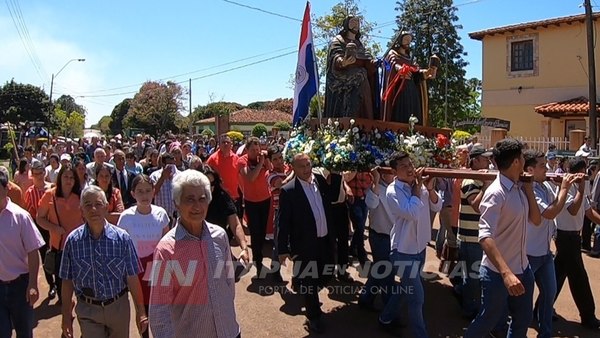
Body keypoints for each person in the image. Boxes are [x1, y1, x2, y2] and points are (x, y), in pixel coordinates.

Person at [149, 170, 240, 338]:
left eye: (202, 199)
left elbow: (228, 284)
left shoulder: (219, 236)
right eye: (189, 199)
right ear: (177, 203)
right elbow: (159, 310)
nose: (197, 206)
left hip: (229, 331)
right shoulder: (166, 250)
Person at [465, 139, 542, 337]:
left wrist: (529, 189)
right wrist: (506, 274)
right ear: (516, 162)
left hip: (523, 269)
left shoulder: (520, 187)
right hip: (497, 274)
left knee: (522, 320)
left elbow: (535, 220)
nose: (525, 160)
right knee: (488, 320)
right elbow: (485, 236)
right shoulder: (495, 193)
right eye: (523, 157)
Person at [59, 185, 147, 338]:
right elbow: (67, 282)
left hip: (118, 307)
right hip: (88, 309)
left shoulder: (122, 239)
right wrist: (66, 316)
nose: (93, 209)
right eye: (88, 205)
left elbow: (132, 277)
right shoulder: (73, 241)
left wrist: (140, 311)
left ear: (106, 207)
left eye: (98, 204)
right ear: (81, 210)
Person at [378, 152, 442, 337]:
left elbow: (437, 206)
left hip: (420, 248)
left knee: (406, 289)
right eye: (403, 166)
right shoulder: (393, 191)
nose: (409, 169)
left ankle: (385, 317)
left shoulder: (419, 186)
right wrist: (418, 189)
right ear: (394, 171)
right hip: (403, 251)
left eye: (410, 164)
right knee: (417, 298)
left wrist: (429, 190)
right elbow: (411, 213)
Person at [278, 153, 337, 334]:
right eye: (301, 166)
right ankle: (314, 316)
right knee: (310, 282)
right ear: (293, 168)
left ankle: (304, 286)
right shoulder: (289, 191)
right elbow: (283, 222)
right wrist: (282, 249)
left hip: (325, 239)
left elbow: (332, 198)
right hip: (304, 245)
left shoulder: (319, 180)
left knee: (326, 274)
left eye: (308, 165)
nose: (306, 169)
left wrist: (337, 172)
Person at [523, 150, 575, 338]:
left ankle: (545, 334)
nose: (547, 168)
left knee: (549, 295)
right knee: (522, 302)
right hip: (527, 254)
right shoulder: (530, 188)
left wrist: (562, 190)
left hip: (544, 253)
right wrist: (564, 189)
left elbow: (557, 205)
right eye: (542, 166)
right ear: (530, 169)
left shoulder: (544, 186)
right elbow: (550, 213)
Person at [117, 175, 169, 338]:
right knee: (142, 310)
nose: (144, 195)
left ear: (154, 192)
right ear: (133, 194)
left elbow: (167, 244)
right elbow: (121, 246)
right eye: (140, 191)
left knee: (161, 311)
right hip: (137, 270)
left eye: (148, 191)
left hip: (158, 268)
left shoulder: (161, 213)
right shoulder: (126, 217)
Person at [553, 157, 600, 330]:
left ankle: (541, 308)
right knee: (579, 278)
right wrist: (580, 188)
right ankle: (588, 316)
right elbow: (573, 209)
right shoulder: (565, 188)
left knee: (557, 275)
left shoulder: (579, 189)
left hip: (573, 237)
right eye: (584, 170)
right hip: (565, 237)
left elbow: (589, 212)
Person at [0, 169, 45, 338]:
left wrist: (33, 284)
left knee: (24, 332)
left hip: (20, 287)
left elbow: (33, 251)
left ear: (6, 189)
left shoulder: (21, 217)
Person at [36, 165, 84, 302]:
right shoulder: (49, 195)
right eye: (65, 177)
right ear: (60, 178)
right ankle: (66, 308)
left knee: (79, 283)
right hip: (59, 247)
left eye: (71, 178)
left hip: (78, 247)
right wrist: (53, 228)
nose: (68, 180)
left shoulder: (80, 196)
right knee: (62, 284)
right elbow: (40, 218)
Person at [457, 144, 493, 319]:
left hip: (476, 236)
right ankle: (470, 309)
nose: (488, 161)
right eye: (485, 158)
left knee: (473, 276)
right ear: (476, 160)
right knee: (472, 278)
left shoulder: (478, 178)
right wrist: (487, 185)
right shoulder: (470, 181)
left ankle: (471, 307)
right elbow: (477, 206)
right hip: (469, 237)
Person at [324, 16, 378, 119]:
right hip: (339, 76)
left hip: (357, 74)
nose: (356, 25)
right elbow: (335, 56)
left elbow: (366, 60)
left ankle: (366, 117)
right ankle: (351, 116)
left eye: (357, 23)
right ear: (346, 24)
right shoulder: (338, 40)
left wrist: (373, 63)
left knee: (363, 74)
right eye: (352, 22)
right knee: (360, 74)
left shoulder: (359, 44)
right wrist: (343, 62)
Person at [359, 166, 395, 311]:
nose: (392, 174)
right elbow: (371, 204)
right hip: (380, 237)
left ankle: (366, 298)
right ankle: (389, 311)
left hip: (393, 237)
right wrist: (376, 180)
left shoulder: (396, 187)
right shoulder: (375, 188)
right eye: (388, 172)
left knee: (380, 271)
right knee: (387, 275)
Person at [381, 32, 437, 124]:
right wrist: (400, 69)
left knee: (413, 111)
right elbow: (391, 64)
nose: (408, 42)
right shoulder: (393, 53)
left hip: (412, 89)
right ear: (399, 40)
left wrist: (426, 72)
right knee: (402, 111)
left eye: (410, 40)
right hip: (400, 88)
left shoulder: (410, 58)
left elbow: (416, 72)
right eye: (406, 39)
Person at [237, 137, 272, 277]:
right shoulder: (242, 161)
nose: (256, 152)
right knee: (255, 231)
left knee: (262, 232)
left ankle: (259, 256)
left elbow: (270, 169)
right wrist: (260, 163)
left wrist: (266, 159)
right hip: (251, 201)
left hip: (265, 199)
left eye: (257, 149)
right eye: (253, 150)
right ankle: (257, 260)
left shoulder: (262, 158)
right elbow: (250, 177)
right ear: (247, 149)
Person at [201, 165, 250, 265]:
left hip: (219, 247)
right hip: (199, 250)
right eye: (206, 184)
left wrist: (244, 248)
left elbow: (235, 224)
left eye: (212, 183)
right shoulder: (193, 202)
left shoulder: (222, 198)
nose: (210, 187)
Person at [24, 161, 55, 299]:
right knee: (45, 256)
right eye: (35, 174)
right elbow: (29, 212)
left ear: (44, 173)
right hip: (39, 228)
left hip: (54, 226)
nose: (38, 176)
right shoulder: (30, 192)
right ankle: (51, 284)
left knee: (57, 254)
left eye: (41, 173)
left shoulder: (52, 188)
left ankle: (60, 286)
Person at [206, 134, 242, 223]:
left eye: (228, 142)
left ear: (231, 145)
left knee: (234, 223)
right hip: (219, 197)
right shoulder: (212, 159)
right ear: (219, 144)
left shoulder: (236, 158)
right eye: (223, 142)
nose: (225, 144)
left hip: (235, 196)